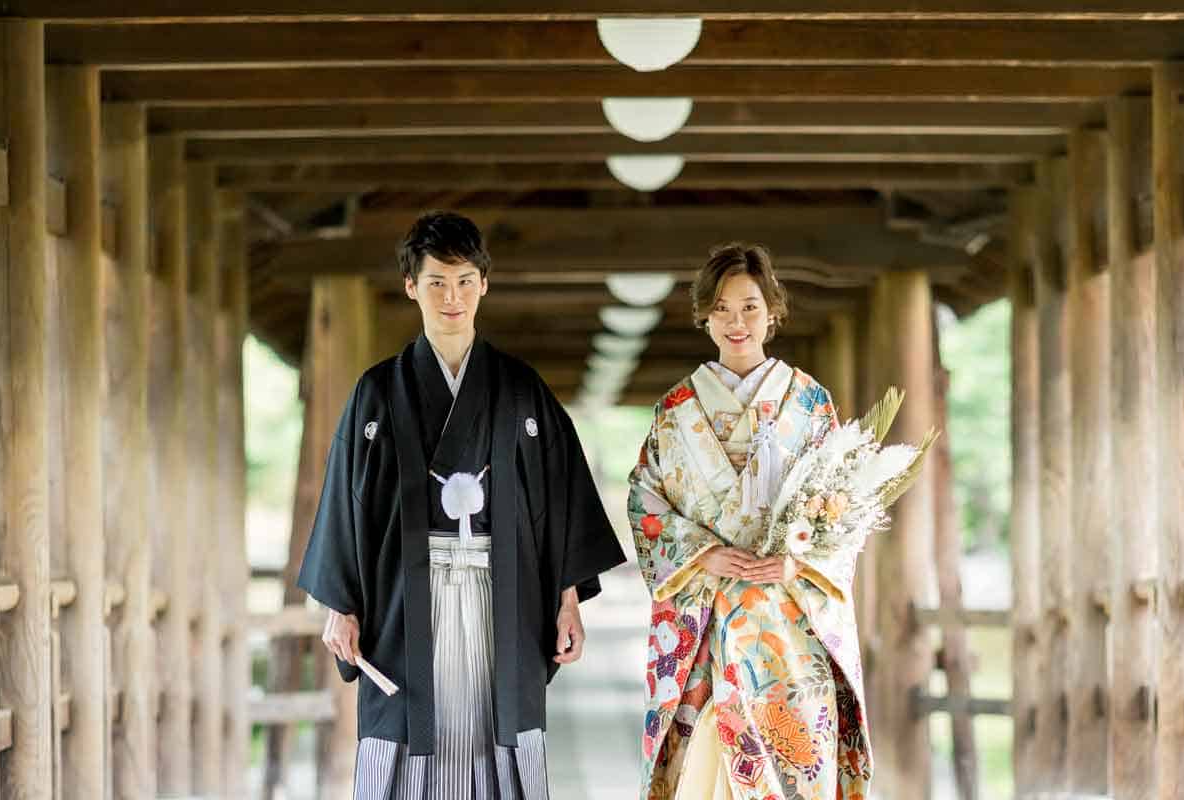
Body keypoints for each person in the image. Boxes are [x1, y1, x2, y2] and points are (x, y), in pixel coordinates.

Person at [298, 210, 627, 800]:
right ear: (411, 287)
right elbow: (347, 504)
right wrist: (341, 605)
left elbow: (559, 498)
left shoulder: (521, 389)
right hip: (404, 599)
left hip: (504, 593)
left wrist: (568, 599)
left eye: (464, 282)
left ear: (484, 284)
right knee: (407, 735)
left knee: (496, 733)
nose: (452, 297)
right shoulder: (378, 391)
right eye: (437, 283)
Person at [628, 244, 872, 799]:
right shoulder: (676, 409)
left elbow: (844, 503)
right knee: (702, 769)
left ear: (772, 312)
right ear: (704, 316)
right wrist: (703, 553)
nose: (736, 322)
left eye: (749, 308)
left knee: (794, 758)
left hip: (786, 617)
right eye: (721, 309)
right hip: (707, 612)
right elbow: (645, 500)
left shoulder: (809, 403)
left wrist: (798, 561)